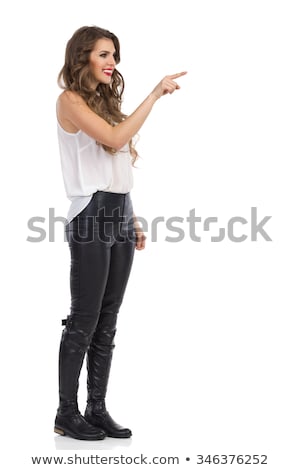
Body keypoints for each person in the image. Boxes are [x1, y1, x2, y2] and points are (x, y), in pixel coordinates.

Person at [54, 25, 186, 441]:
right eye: (104, 54)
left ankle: (96, 408)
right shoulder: (70, 101)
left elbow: (117, 164)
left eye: (114, 55)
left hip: (118, 215)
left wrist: (131, 216)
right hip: (90, 216)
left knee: (107, 321)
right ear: (84, 57)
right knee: (84, 320)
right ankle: (66, 413)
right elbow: (115, 137)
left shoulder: (104, 101)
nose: (112, 62)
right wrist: (154, 95)